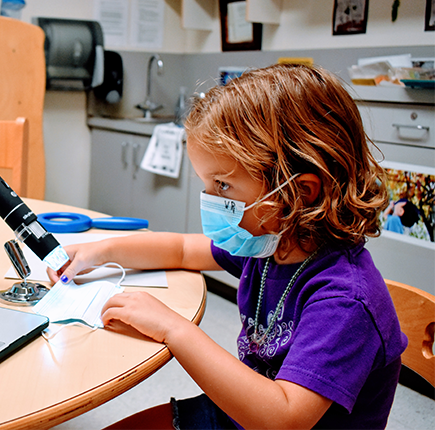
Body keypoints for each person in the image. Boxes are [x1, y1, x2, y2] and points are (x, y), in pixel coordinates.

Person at [48, 64, 407, 430]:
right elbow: (182, 251)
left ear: (298, 193)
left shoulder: (345, 301)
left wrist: (174, 328)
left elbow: (283, 419)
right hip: (240, 411)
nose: (209, 200)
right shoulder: (273, 241)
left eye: (222, 186)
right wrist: (103, 250)